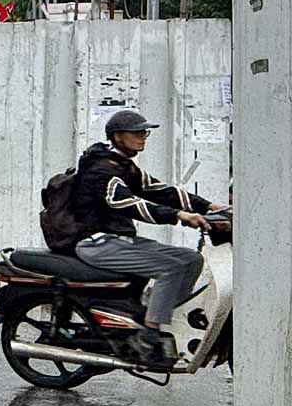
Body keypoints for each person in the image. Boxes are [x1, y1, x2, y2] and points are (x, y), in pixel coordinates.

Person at [72, 110, 227, 366]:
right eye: (137, 133)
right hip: (97, 242)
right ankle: (149, 336)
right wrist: (178, 216)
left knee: (190, 259)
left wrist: (210, 207)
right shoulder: (101, 170)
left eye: (145, 133)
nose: (143, 138)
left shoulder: (123, 165)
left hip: (119, 240)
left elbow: (161, 191)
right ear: (118, 136)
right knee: (170, 268)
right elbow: (128, 203)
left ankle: (160, 317)